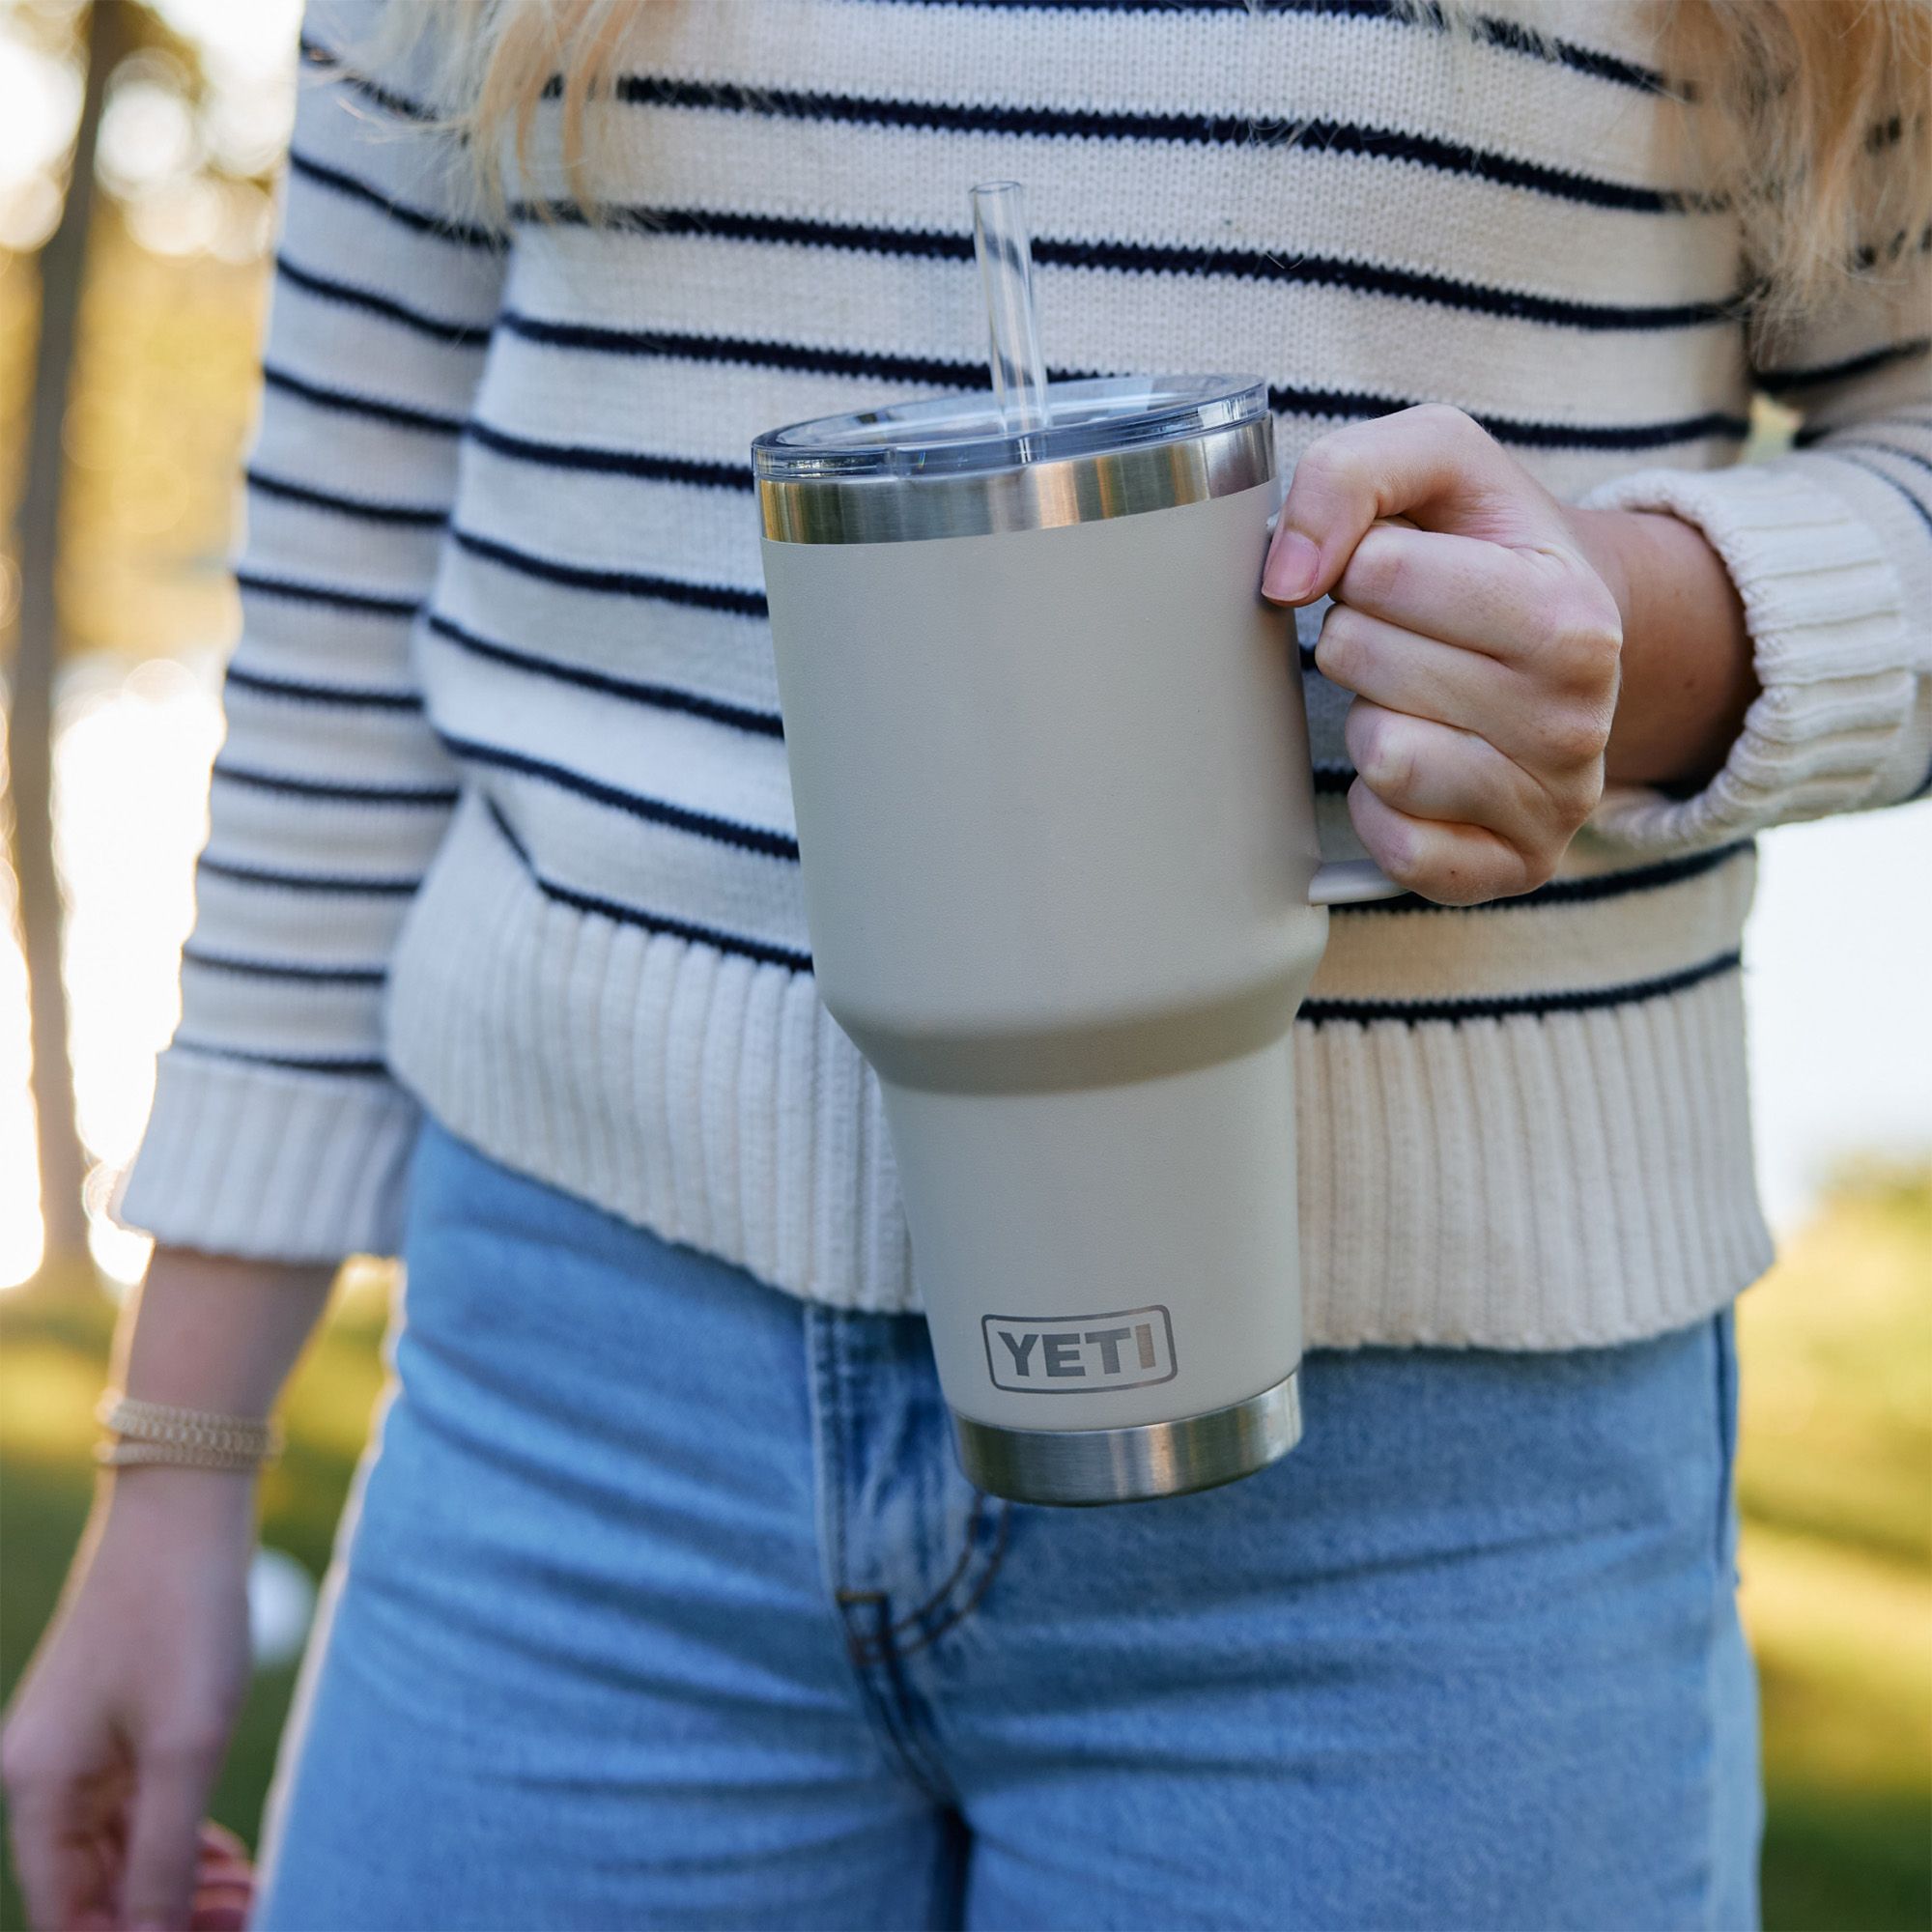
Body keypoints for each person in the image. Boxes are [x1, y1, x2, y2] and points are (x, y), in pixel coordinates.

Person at [7, 0, 1929, 1926]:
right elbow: (348, 605)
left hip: (1419, 1512)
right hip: (580, 1427)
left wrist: (1639, 628)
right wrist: (178, 1456)